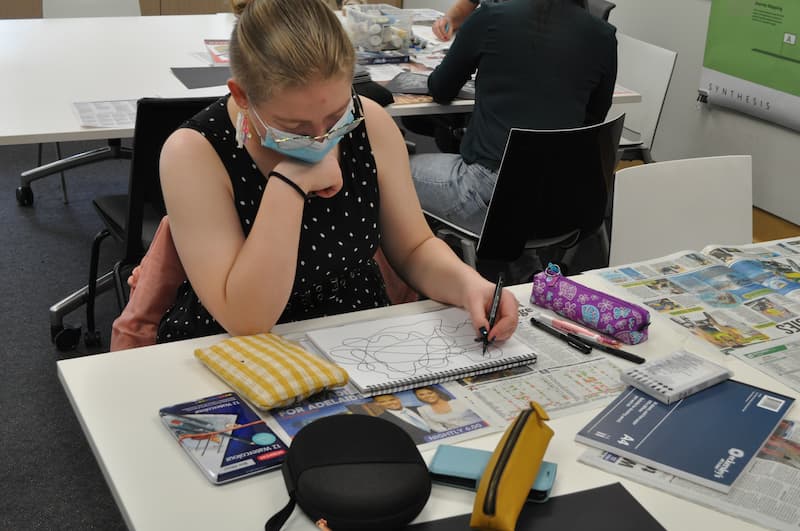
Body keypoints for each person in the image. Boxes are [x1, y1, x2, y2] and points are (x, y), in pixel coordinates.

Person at [155, 0, 518, 343]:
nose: (321, 138)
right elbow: (246, 319)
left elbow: (414, 248)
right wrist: (289, 184)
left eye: (335, 116)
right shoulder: (194, 153)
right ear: (242, 95)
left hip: (354, 333)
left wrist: (469, 285)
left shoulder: (369, 121)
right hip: (242, 348)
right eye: (294, 126)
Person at [409, 0, 617, 236]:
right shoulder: (603, 35)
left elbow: (441, 88)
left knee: (388, 167)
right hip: (564, 197)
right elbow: (595, 116)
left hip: (489, 194)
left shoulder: (490, 18)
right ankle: (520, 264)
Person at [413, 386, 481, 432]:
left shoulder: (458, 401)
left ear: (437, 393)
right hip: (456, 434)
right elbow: (434, 426)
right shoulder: (423, 409)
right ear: (417, 397)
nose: (427, 396)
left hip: (479, 427)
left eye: (430, 393)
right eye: (421, 395)